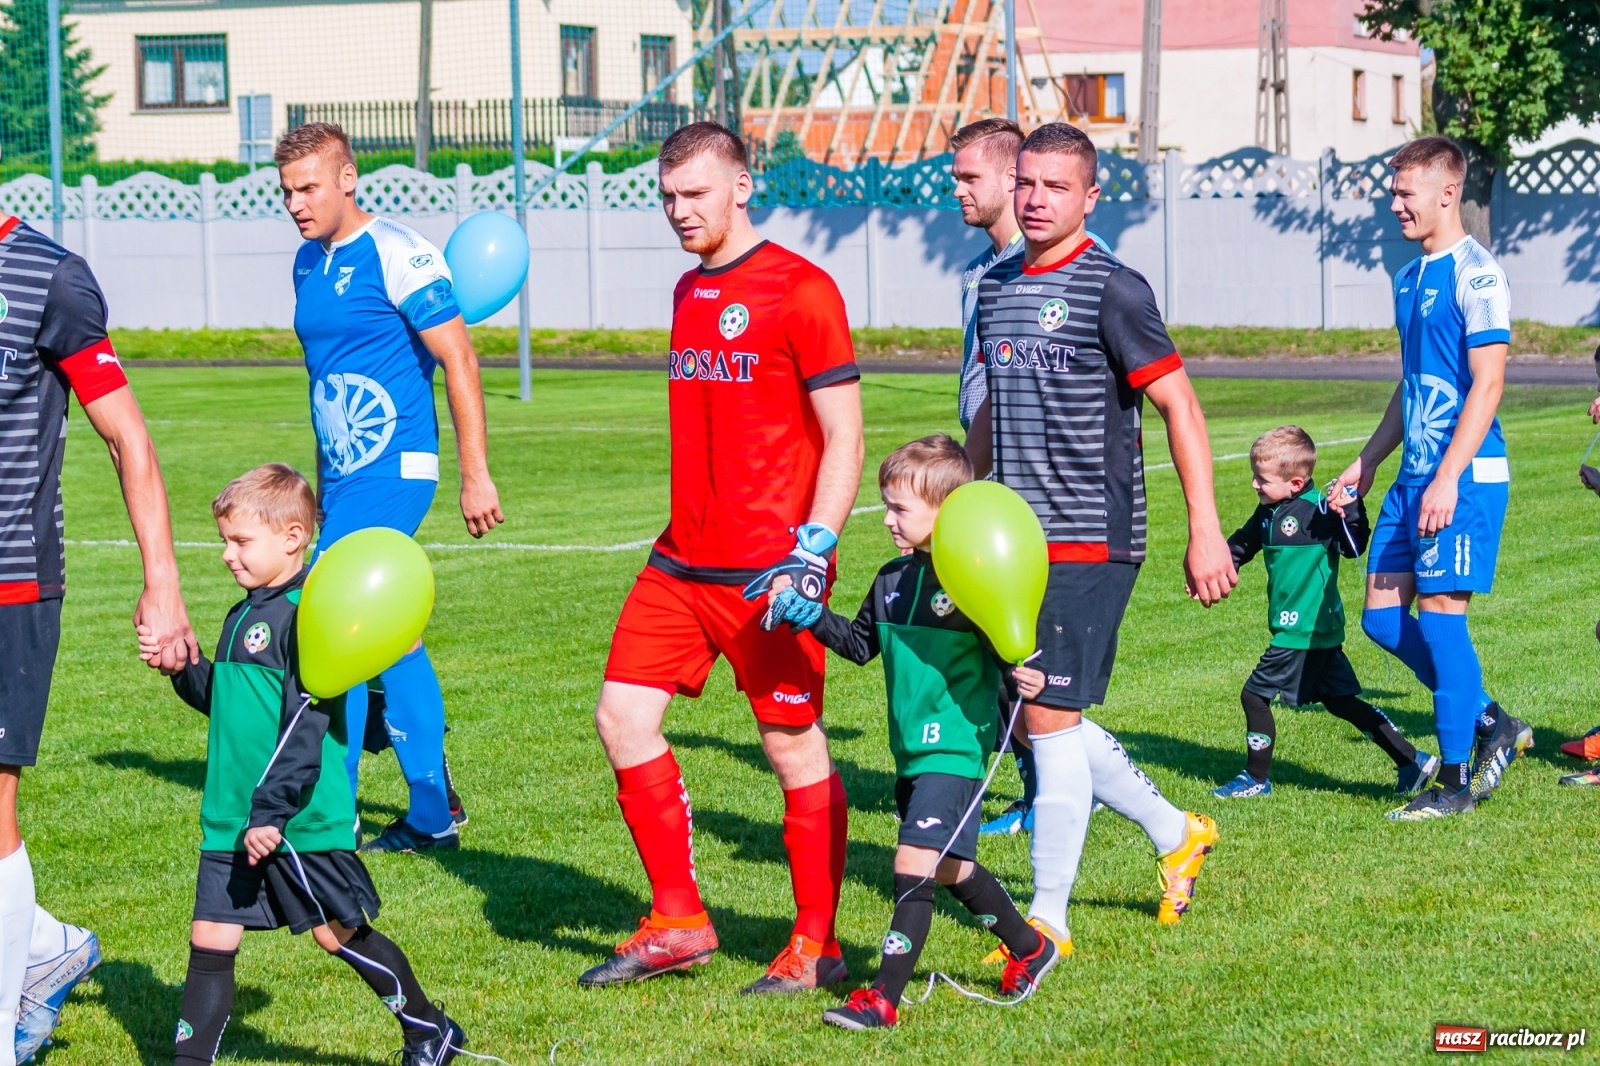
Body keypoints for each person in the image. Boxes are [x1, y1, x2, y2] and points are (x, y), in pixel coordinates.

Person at [581, 122, 863, 994]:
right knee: (622, 720)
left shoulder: (802, 290)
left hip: (769, 571)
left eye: (695, 193)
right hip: (680, 562)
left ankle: (816, 945)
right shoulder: (686, 289)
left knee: (790, 747)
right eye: (667, 196)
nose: (679, 211)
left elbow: (844, 435)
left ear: (743, 186)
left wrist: (813, 551)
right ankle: (678, 922)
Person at [965, 122, 1229, 954]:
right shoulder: (995, 287)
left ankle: (1046, 919)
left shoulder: (1114, 288)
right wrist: (961, 509)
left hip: (1089, 537)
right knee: (1039, 715)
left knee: (1046, 716)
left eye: (1057, 186)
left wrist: (1205, 528)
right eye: (1026, 183)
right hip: (1011, 548)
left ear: (1090, 197)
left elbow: (1180, 406)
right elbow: (993, 408)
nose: (1036, 198)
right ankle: (1176, 833)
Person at [140, 465, 466, 1066]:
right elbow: (230, 703)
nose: (227, 555)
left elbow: (303, 726)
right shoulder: (242, 614)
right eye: (224, 540)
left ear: (293, 537)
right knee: (209, 940)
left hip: (297, 820)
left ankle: (430, 1030)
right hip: (232, 814)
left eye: (241, 541)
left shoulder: (311, 618)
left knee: (335, 934)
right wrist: (184, 669)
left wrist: (271, 812)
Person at [763, 435, 1059, 1030]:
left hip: (957, 749)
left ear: (947, 512)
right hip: (911, 751)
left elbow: (1009, 649)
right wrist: (810, 615)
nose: (888, 519)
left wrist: (1027, 677)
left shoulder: (974, 580)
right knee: (950, 869)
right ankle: (1031, 948)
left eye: (900, 508)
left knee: (913, 864)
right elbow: (860, 645)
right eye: (886, 506)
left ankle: (882, 997)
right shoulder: (891, 580)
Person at [0, 212, 199, 1065]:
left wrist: (163, 583)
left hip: (10, 581)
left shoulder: (50, 278)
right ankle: (46, 946)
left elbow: (127, 437)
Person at [275, 122, 503, 853]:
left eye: (309, 188)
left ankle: (332, 817)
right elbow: (325, 383)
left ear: (348, 179)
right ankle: (433, 810)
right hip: (345, 480)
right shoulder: (306, 263)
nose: (296, 204)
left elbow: (460, 360)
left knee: (330, 618)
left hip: (398, 468)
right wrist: (320, 487)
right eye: (286, 191)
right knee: (390, 640)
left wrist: (475, 475)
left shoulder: (400, 252)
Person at [1329, 135, 1533, 821]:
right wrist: (1368, 461)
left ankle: (1454, 784)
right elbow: (1412, 384)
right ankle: (1492, 722)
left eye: (1404, 192)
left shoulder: (1479, 276)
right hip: (1413, 476)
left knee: (1443, 618)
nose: (1394, 205)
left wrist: (1448, 477)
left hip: (1463, 478)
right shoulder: (1408, 278)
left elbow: (1488, 383)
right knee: (1383, 620)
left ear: (1448, 193)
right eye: (1393, 192)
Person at [1215, 426, 1439, 801]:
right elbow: (1243, 543)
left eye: (1262, 479)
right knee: (1340, 701)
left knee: (1254, 696)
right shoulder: (1268, 512)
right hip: (1313, 630)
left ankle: (1255, 778)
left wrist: (1351, 509)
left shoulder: (1319, 510)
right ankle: (1411, 760)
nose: (1254, 484)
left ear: (1296, 483)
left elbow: (1353, 547)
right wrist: (1217, 567)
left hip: (1304, 629)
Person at [946, 118, 1037, 838]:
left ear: (1012, 178)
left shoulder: (1040, 269)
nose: (957, 190)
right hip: (983, 479)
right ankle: (1040, 788)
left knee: (1024, 656)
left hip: (1023, 485)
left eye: (968, 177)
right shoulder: (981, 270)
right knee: (993, 650)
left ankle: (1059, 791)